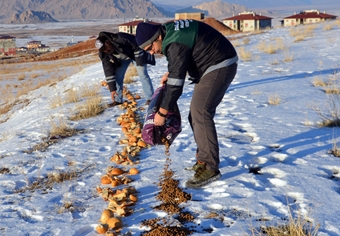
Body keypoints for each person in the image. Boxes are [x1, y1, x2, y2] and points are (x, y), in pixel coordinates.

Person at [135, 20, 238, 188]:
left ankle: (211, 168)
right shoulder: (169, 34)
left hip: (220, 64)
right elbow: (180, 59)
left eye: (150, 48)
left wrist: (161, 113)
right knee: (196, 114)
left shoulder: (173, 43)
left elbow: (176, 85)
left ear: (157, 37)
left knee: (201, 112)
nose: (152, 53)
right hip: (212, 64)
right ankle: (203, 160)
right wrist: (171, 73)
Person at [95, 31, 155, 106]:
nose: (105, 51)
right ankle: (118, 100)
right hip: (122, 60)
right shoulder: (104, 53)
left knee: (143, 74)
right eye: (103, 50)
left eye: (105, 48)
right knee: (118, 77)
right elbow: (108, 70)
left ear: (108, 43)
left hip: (135, 55)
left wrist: (139, 62)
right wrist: (112, 89)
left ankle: (150, 98)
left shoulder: (120, 38)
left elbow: (137, 45)